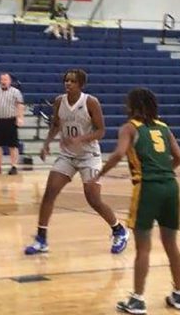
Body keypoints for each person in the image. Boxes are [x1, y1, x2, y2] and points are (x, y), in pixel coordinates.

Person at [98, 88, 180, 315]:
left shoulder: (129, 128)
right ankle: (179, 294)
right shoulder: (164, 127)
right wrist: (164, 171)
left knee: (143, 248)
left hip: (147, 188)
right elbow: (179, 157)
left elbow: (119, 154)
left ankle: (137, 299)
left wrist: (100, 173)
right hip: (170, 186)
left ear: (132, 106)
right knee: (171, 245)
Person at [24, 69, 129, 255]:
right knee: (49, 193)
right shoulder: (59, 101)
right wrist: (46, 143)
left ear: (81, 84)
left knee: (93, 198)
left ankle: (119, 230)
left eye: (72, 81)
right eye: (66, 80)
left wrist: (80, 139)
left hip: (89, 155)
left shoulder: (90, 102)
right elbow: (56, 124)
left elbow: (101, 131)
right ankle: (41, 240)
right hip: (67, 156)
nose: (68, 83)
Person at [0, 73, 25, 175]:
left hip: (11, 120)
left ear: (9, 81)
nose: (3, 81)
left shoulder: (16, 92)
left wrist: (20, 118)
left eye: (5, 79)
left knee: (13, 145)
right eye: (2, 79)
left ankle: (14, 166)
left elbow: (20, 106)